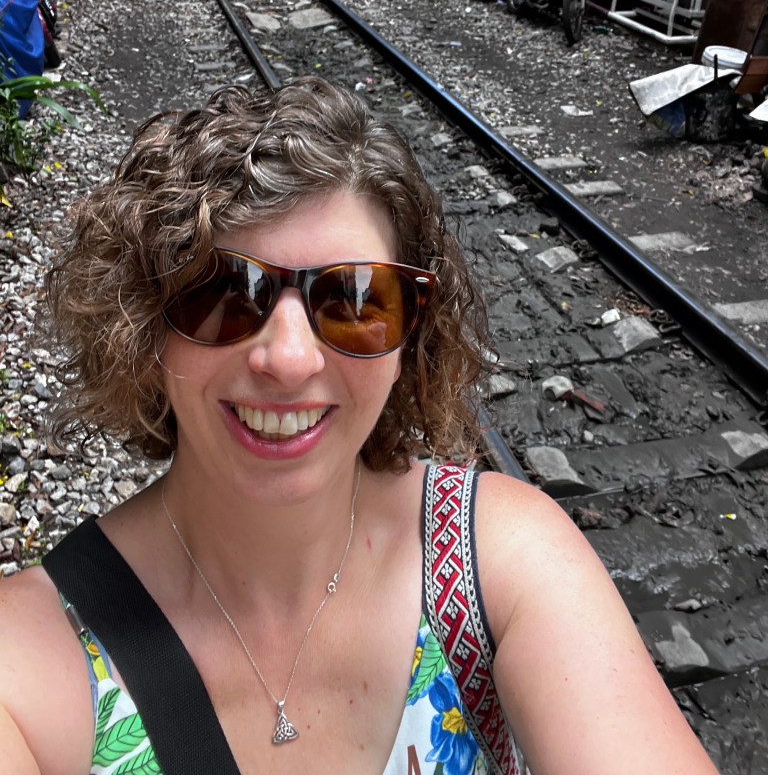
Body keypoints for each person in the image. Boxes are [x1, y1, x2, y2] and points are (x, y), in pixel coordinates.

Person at [0, 77, 721, 775]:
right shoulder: (31, 658)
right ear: (144, 327)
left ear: (410, 340)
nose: (289, 360)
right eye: (225, 294)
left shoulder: (501, 563)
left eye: (353, 302)